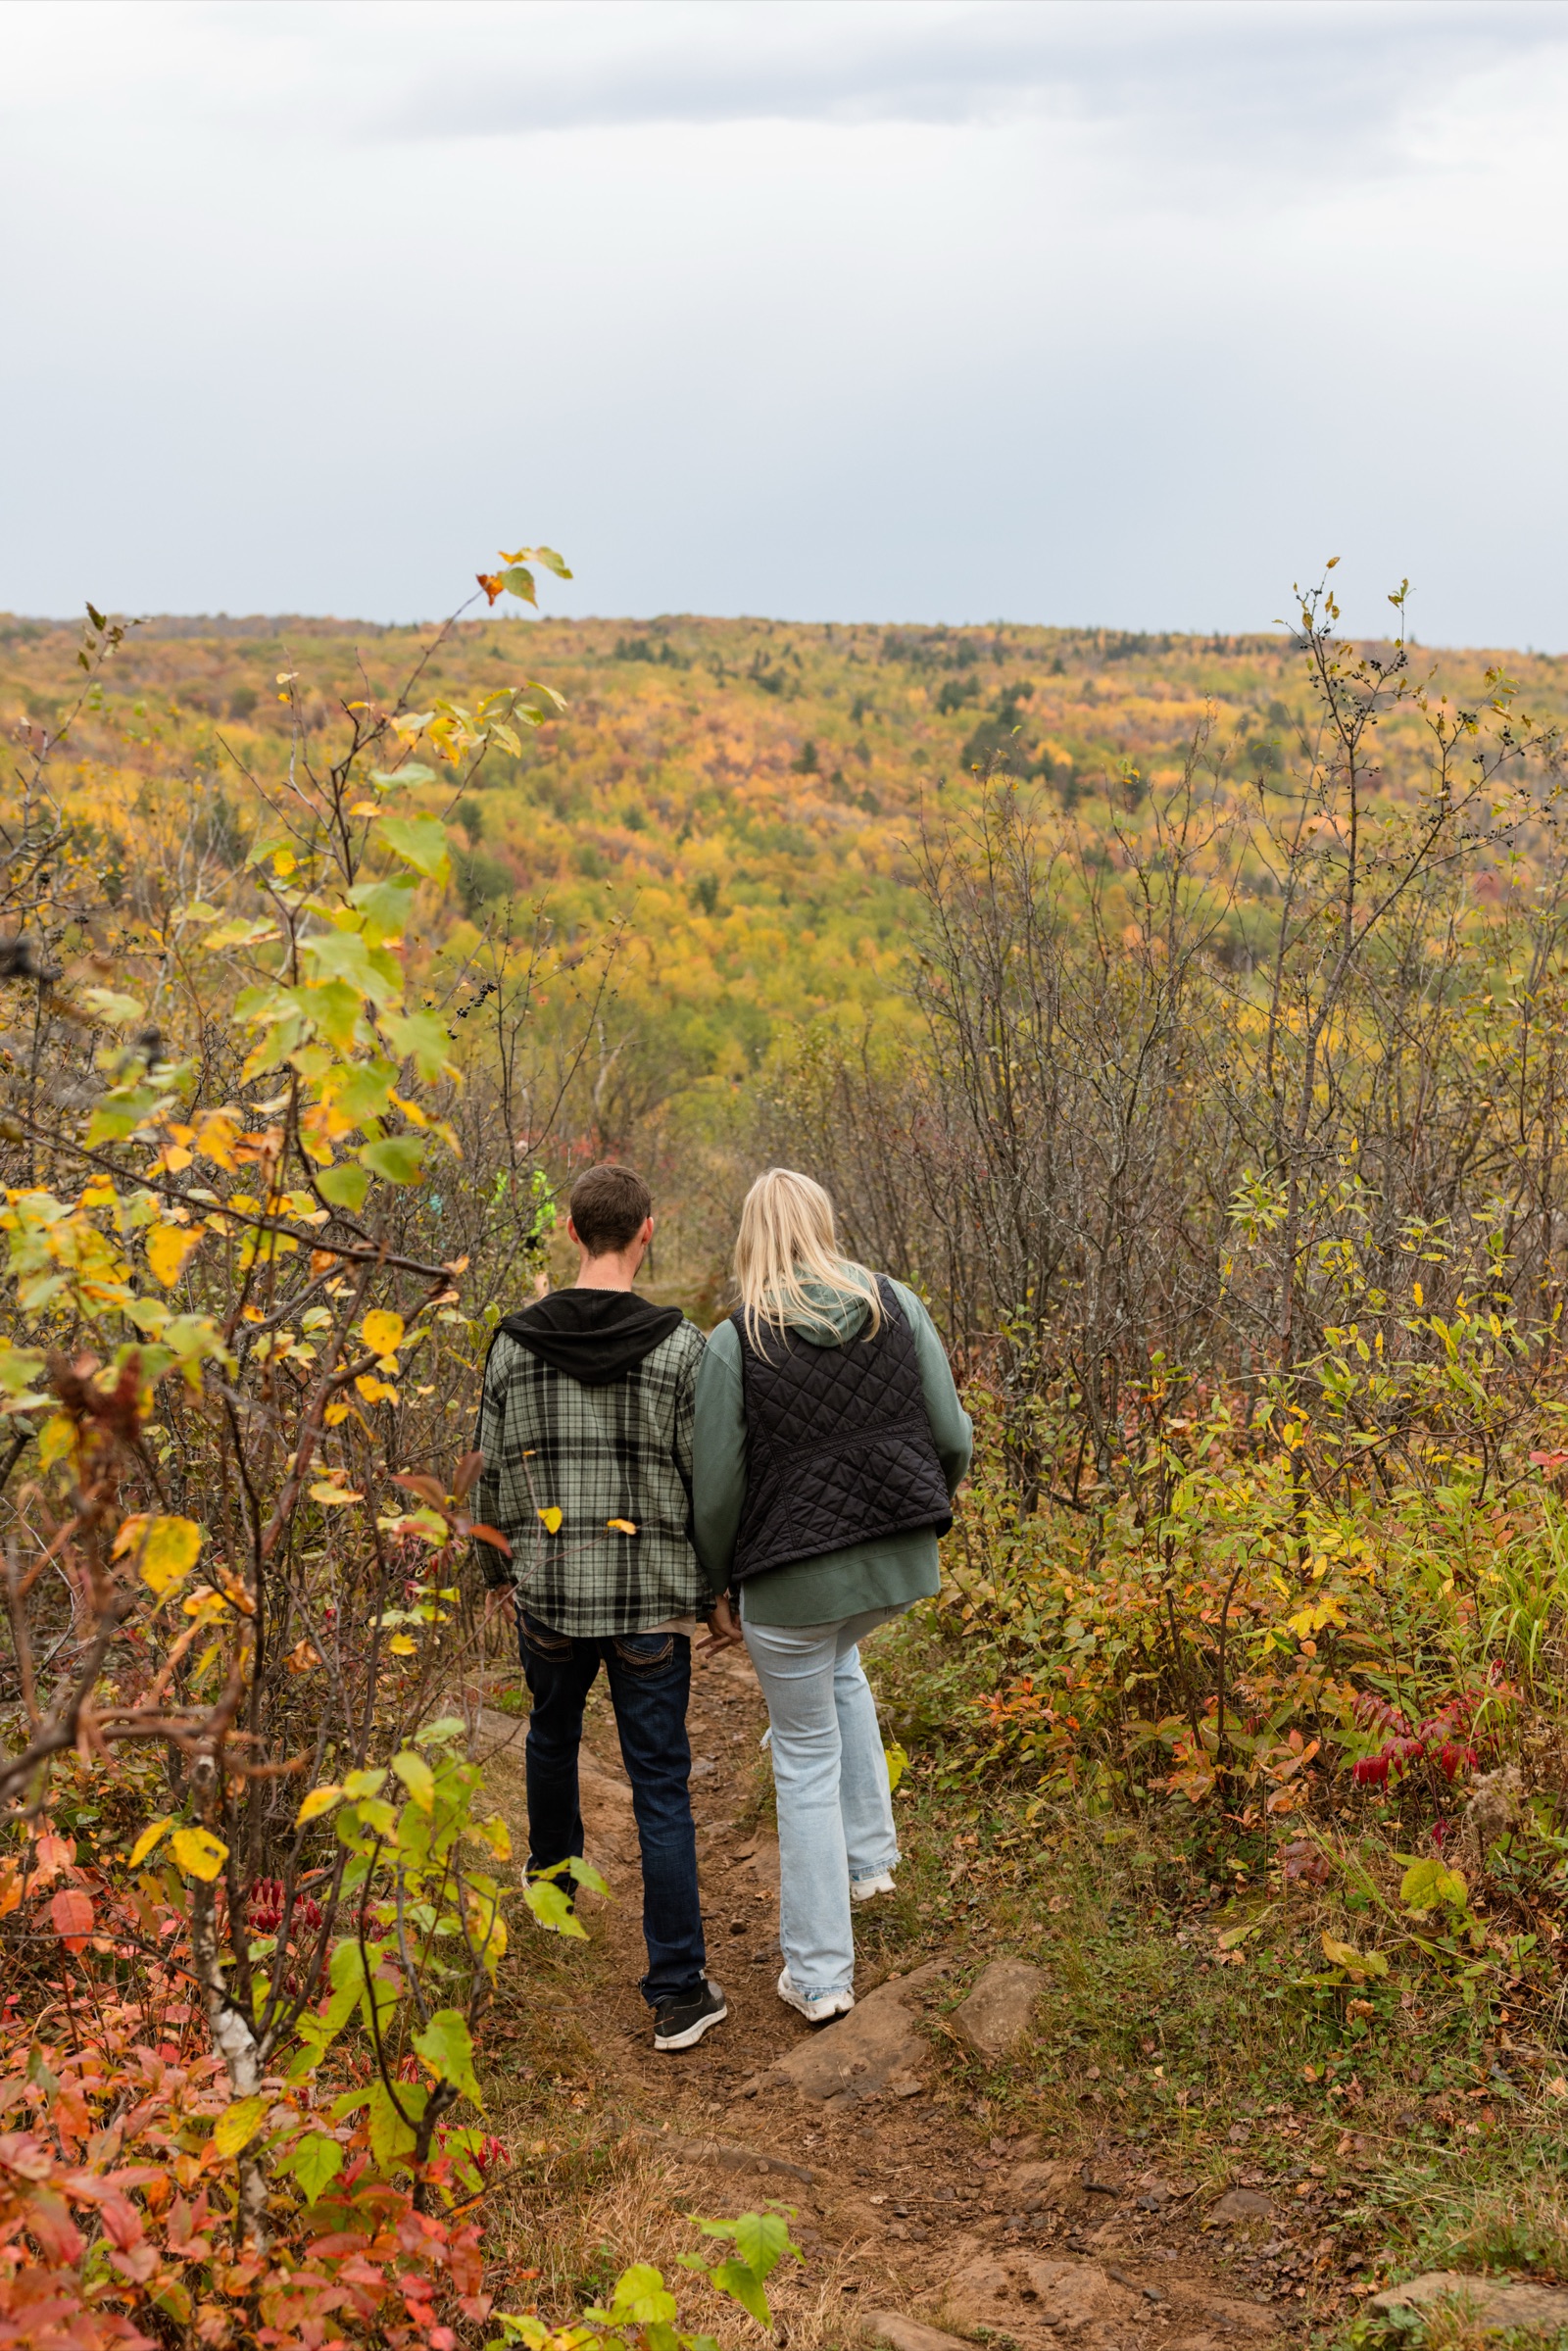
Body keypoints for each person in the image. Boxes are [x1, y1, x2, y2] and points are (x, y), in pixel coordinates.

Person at [691, 1167, 972, 2024]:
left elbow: (716, 1493)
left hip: (790, 1584)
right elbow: (952, 1435)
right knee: (838, 1660)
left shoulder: (735, 1342)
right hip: (893, 1569)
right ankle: (871, 1859)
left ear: (751, 1237)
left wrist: (716, 1585)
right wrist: (921, 1514)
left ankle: (818, 1978)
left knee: (803, 1756)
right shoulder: (897, 1303)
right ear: (824, 1222)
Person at [474, 1161, 733, 2052]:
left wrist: (496, 1571)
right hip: (650, 1600)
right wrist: (715, 1590)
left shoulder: (512, 1345)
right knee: (659, 1782)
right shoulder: (684, 1349)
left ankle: (552, 1894)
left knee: (552, 1736)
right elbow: (709, 1484)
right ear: (647, 1231)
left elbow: (489, 1471)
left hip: (549, 1589)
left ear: (572, 1231)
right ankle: (678, 1990)